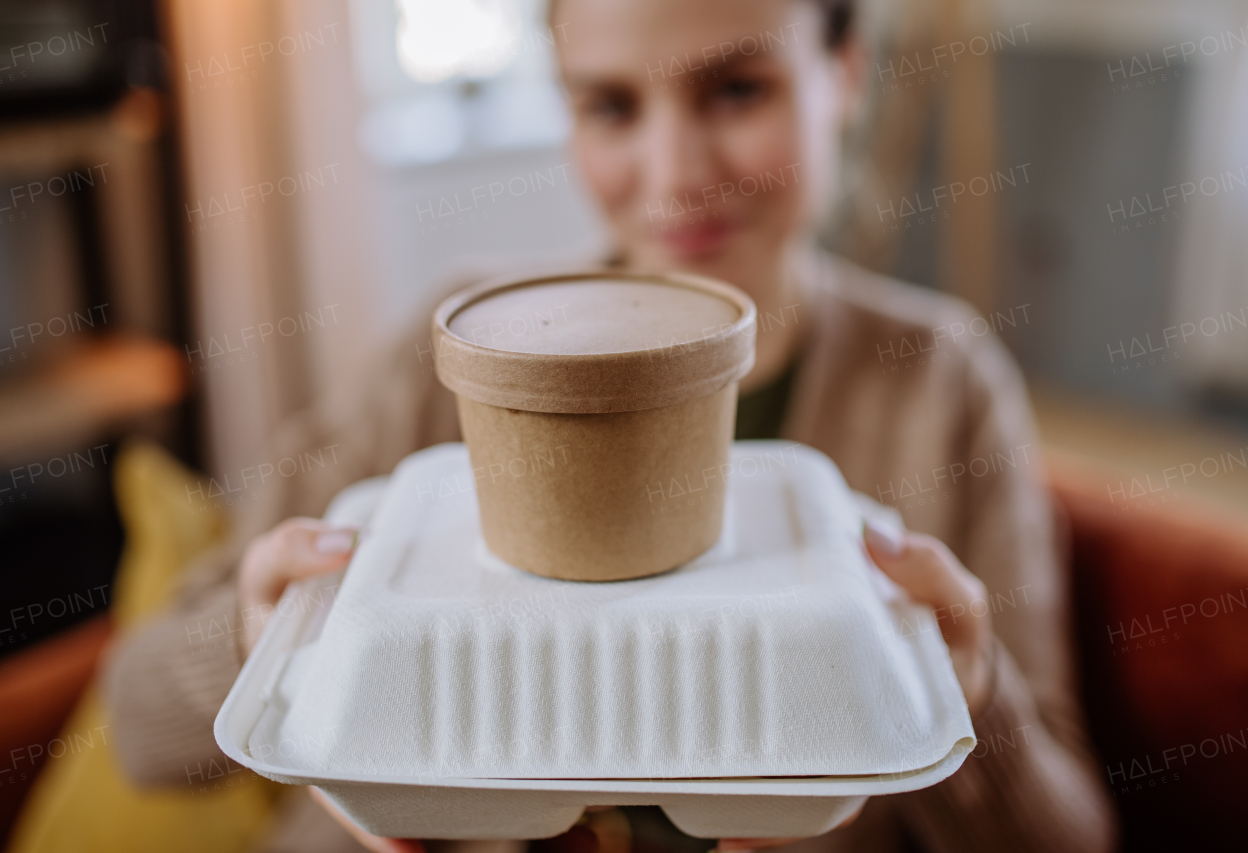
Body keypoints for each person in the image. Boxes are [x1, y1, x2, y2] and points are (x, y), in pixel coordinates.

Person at [102, 1, 1118, 851]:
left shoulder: (937, 386)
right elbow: (137, 723)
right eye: (609, 105)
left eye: (736, 90)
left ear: (843, 74)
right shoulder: (447, 361)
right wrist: (262, 639)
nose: (673, 173)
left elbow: (1074, 836)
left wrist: (963, 700)